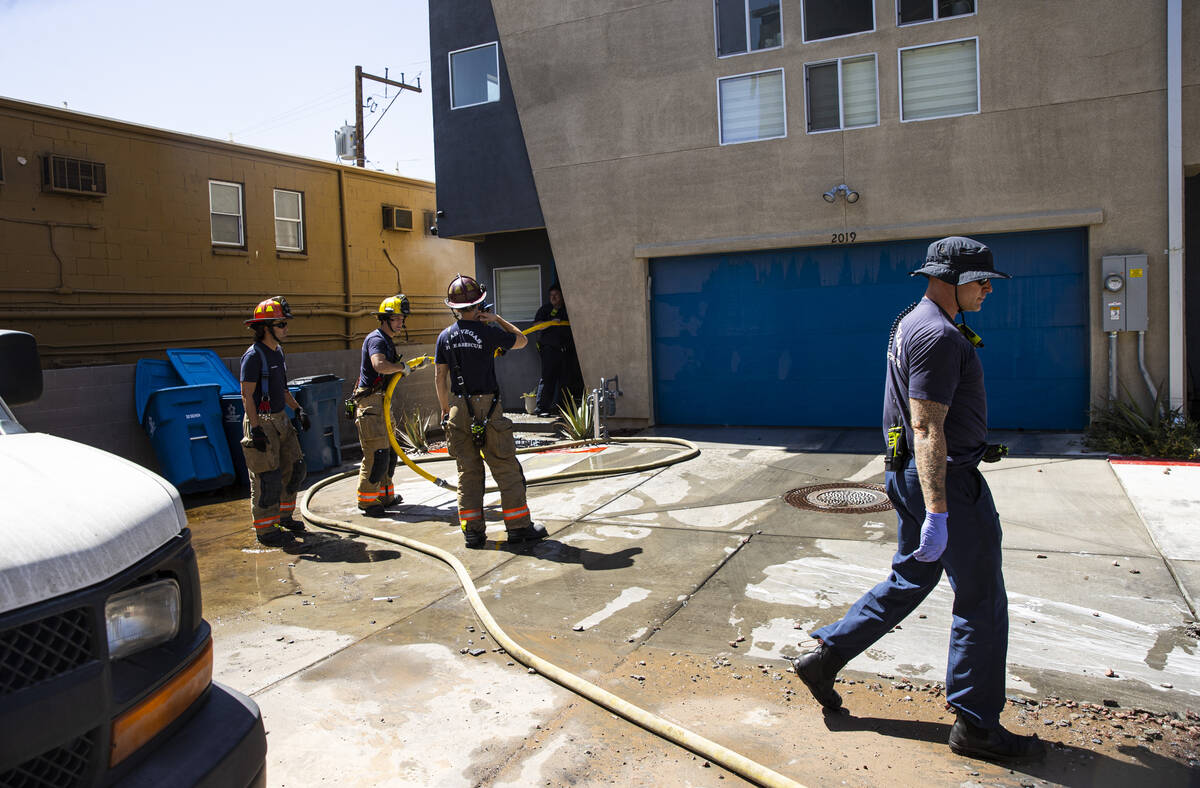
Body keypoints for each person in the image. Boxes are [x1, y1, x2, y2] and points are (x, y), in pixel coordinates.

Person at [792, 237, 1045, 762]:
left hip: (911, 474)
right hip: (944, 482)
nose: (988, 291)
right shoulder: (938, 336)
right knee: (980, 599)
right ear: (952, 281)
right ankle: (977, 727)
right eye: (982, 282)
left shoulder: (913, 320)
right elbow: (928, 427)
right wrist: (938, 511)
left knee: (912, 577)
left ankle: (826, 656)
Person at [434, 274, 547, 548]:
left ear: (454, 307)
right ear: (479, 305)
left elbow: (439, 378)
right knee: (505, 467)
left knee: (468, 473)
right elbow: (521, 341)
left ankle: (472, 533)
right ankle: (519, 528)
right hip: (488, 407)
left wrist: (445, 409)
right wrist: (496, 319)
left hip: (458, 408)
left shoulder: (444, 337)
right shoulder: (488, 331)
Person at [239, 296, 309, 547]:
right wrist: (255, 428)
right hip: (263, 422)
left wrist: (298, 410)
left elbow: (282, 389)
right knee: (266, 478)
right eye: (281, 325)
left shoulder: (277, 352)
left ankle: (284, 517)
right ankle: (266, 530)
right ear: (266, 327)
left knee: (294, 468)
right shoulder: (253, 356)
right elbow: (247, 395)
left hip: (281, 419)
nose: (286, 329)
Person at [351, 294, 419, 516]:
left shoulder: (386, 340)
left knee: (389, 453)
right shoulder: (377, 340)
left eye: (402, 319)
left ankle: (385, 496)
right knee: (376, 453)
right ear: (385, 319)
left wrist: (403, 368)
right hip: (370, 405)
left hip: (380, 403)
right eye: (398, 319)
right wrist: (400, 367)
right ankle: (367, 501)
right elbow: (379, 365)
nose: (401, 323)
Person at [532, 282, 575, 416]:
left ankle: (565, 409)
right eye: (551, 295)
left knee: (566, 380)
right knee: (548, 378)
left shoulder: (568, 310)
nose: (553, 298)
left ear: (562, 296)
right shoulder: (545, 310)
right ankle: (542, 408)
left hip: (566, 350)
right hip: (549, 350)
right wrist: (550, 322)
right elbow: (537, 325)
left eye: (556, 295)